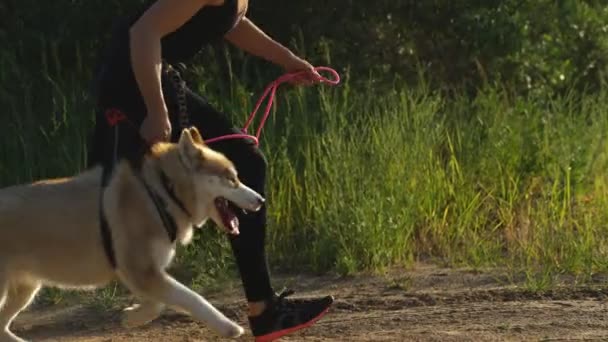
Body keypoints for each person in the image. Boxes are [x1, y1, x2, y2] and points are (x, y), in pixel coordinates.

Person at [87, 0, 334, 340]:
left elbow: (232, 23)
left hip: (156, 77)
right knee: (101, 207)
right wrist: (157, 111)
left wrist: (288, 61)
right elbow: (143, 33)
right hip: (133, 81)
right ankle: (262, 310)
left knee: (244, 163)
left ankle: (264, 309)